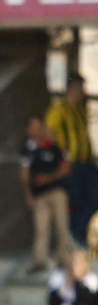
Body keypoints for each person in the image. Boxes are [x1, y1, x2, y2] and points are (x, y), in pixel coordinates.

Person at [45, 76, 95, 244]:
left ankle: (88, 237)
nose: (84, 92)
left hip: (87, 164)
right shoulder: (58, 110)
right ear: (73, 88)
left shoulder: (80, 110)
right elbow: (50, 135)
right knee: (78, 202)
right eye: (81, 87)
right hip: (72, 166)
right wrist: (62, 157)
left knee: (93, 200)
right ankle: (79, 240)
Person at [22, 116, 74, 273]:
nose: (36, 131)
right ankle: (40, 261)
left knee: (62, 225)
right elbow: (24, 174)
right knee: (41, 228)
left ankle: (64, 259)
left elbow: (66, 168)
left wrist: (49, 178)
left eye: (39, 127)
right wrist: (28, 194)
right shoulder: (28, 149)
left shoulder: (54, 146)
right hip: (39, 196)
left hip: (57, 192)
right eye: (33, 128)